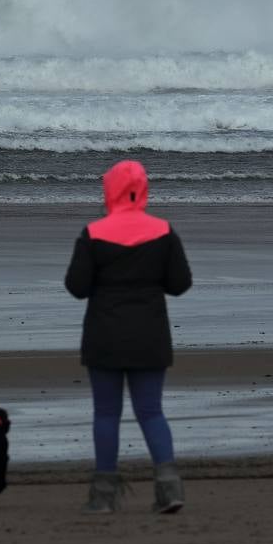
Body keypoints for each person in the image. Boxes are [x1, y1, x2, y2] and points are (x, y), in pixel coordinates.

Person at [64, 159, 193, 514]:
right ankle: (169, 489)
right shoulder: (164, 231)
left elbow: (76, 287)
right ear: (143, 189)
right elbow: (180, 284)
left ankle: (103, 496)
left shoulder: (93, 234)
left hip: (105, 335)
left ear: (110, 190)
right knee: (151, 412)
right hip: (149, 335)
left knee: (106, 413)